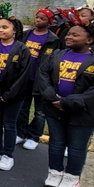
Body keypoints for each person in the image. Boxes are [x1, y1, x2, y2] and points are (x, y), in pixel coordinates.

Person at [38, 17, 94, 187]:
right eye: (69, 34)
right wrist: (52, 97)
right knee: (56, 143)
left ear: (89, 40)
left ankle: (72, 176)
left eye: (75, 35)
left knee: (76, 146)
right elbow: (43, 75)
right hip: (54, 109)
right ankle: (55, 172)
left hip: (82, 114)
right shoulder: (57, 55)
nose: (69, 37)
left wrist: (66, 102)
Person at [0, 17, 31, 171]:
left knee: (9, 125)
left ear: (14, 30)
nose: (0, 30)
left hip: (13, 96)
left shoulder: (22, 49)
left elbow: (23, 76)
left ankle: (7, 155)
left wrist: (8, 95)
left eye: (5, 27)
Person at [16, 8, 62, 149]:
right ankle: (20, 133)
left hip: (42, 81)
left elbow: (55, 62)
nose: (38, 20)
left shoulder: (53, 40)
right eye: (37, 17)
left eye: (42, 18)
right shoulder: (25, 35)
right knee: (22, 107)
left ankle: (34, 136)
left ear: (49, 21)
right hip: (24, 78)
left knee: (40, 111)